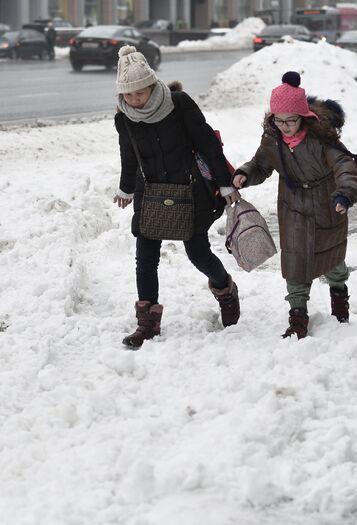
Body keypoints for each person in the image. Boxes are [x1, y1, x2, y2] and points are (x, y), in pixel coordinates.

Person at [112, 45, 241, 348]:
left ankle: (225, 289)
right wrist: (126, 187)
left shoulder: (179, 104)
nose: (135, 100)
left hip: (190, 191)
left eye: (140, 93)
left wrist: (225, 183)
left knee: (197, 253)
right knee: (145, 258)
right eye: (128, 95)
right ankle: (147, 323)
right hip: (151, 193)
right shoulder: (125, 118)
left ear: (151, 84)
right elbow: (128, 156)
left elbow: (209, 143)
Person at [232, 72, 357, 339]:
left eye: (290, 120)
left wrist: (345, 194)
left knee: (332, 257)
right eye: (279, 120)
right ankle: (298, 316)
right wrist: (245, 173)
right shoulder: (272, 138)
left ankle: (339, 299)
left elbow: (344, 165)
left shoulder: (321, 138)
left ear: (303, 117)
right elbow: (260, 164)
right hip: (293, 206)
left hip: (327, 201)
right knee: (295, 260)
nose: (285, 126)